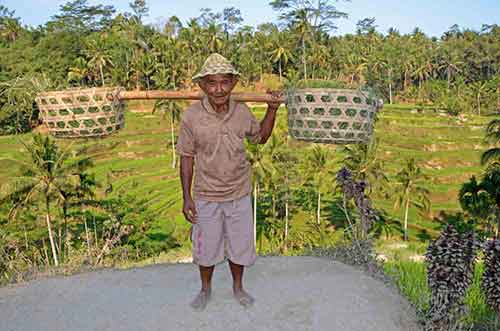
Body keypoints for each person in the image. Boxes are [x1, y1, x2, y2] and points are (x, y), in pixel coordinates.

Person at [175, 53, 282, 311]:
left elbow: (261, 138)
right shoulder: (191, 117)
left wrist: (272, 109)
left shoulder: (242, 113)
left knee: (239, 245)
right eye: (212, 83)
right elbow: (186, 157)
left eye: (225, 82)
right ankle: (205, 288)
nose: (219, 89)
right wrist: (187, 197)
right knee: (206, 248)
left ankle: (238, 287)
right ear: (202, 86)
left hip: (238, 192)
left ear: (234, 83)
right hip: (206, 194)